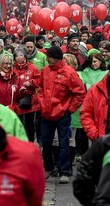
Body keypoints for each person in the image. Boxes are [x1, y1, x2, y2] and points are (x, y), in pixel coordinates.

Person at [37, 46, 86, 183]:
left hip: (62, 114)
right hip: (47, 113)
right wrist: (42, 102)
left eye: (49, 57)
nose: (47, 59)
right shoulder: (45, 71)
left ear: (56, 58)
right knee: (46, 142)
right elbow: (39, 87)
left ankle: (64, 171)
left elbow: (80, 92)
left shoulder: (69, 72)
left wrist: (69, 109)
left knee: (64, 143)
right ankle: (49, 167)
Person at [12, 48, 41, 143]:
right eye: (17, 55)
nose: (19, 57)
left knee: (30, 124)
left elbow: (39, 80)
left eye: (21, 55)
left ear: (25, 56)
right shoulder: (12, 68)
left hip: (30, 100)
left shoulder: (32, 67)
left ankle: (31, 142)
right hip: (15, 100)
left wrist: (31, 83)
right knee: (17, 122)